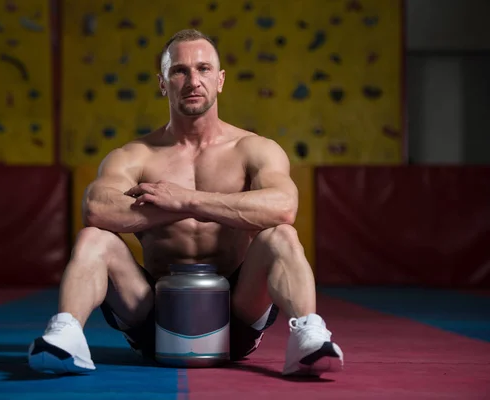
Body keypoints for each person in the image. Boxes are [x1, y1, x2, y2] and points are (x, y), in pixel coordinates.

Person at [28, 28, 343, 377]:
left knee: (281, 235)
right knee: (93, 238)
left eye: (204, 69)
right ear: (163, 83)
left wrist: (188, 200)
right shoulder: (136, 154)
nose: (193, 80)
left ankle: (310, 337)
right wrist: (180, 206)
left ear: (220, 80)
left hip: (235, 316)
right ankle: (65, 335)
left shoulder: (253, 149)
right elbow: (97, 209)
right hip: (153, 315)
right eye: (180, 70)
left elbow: (283, 206)